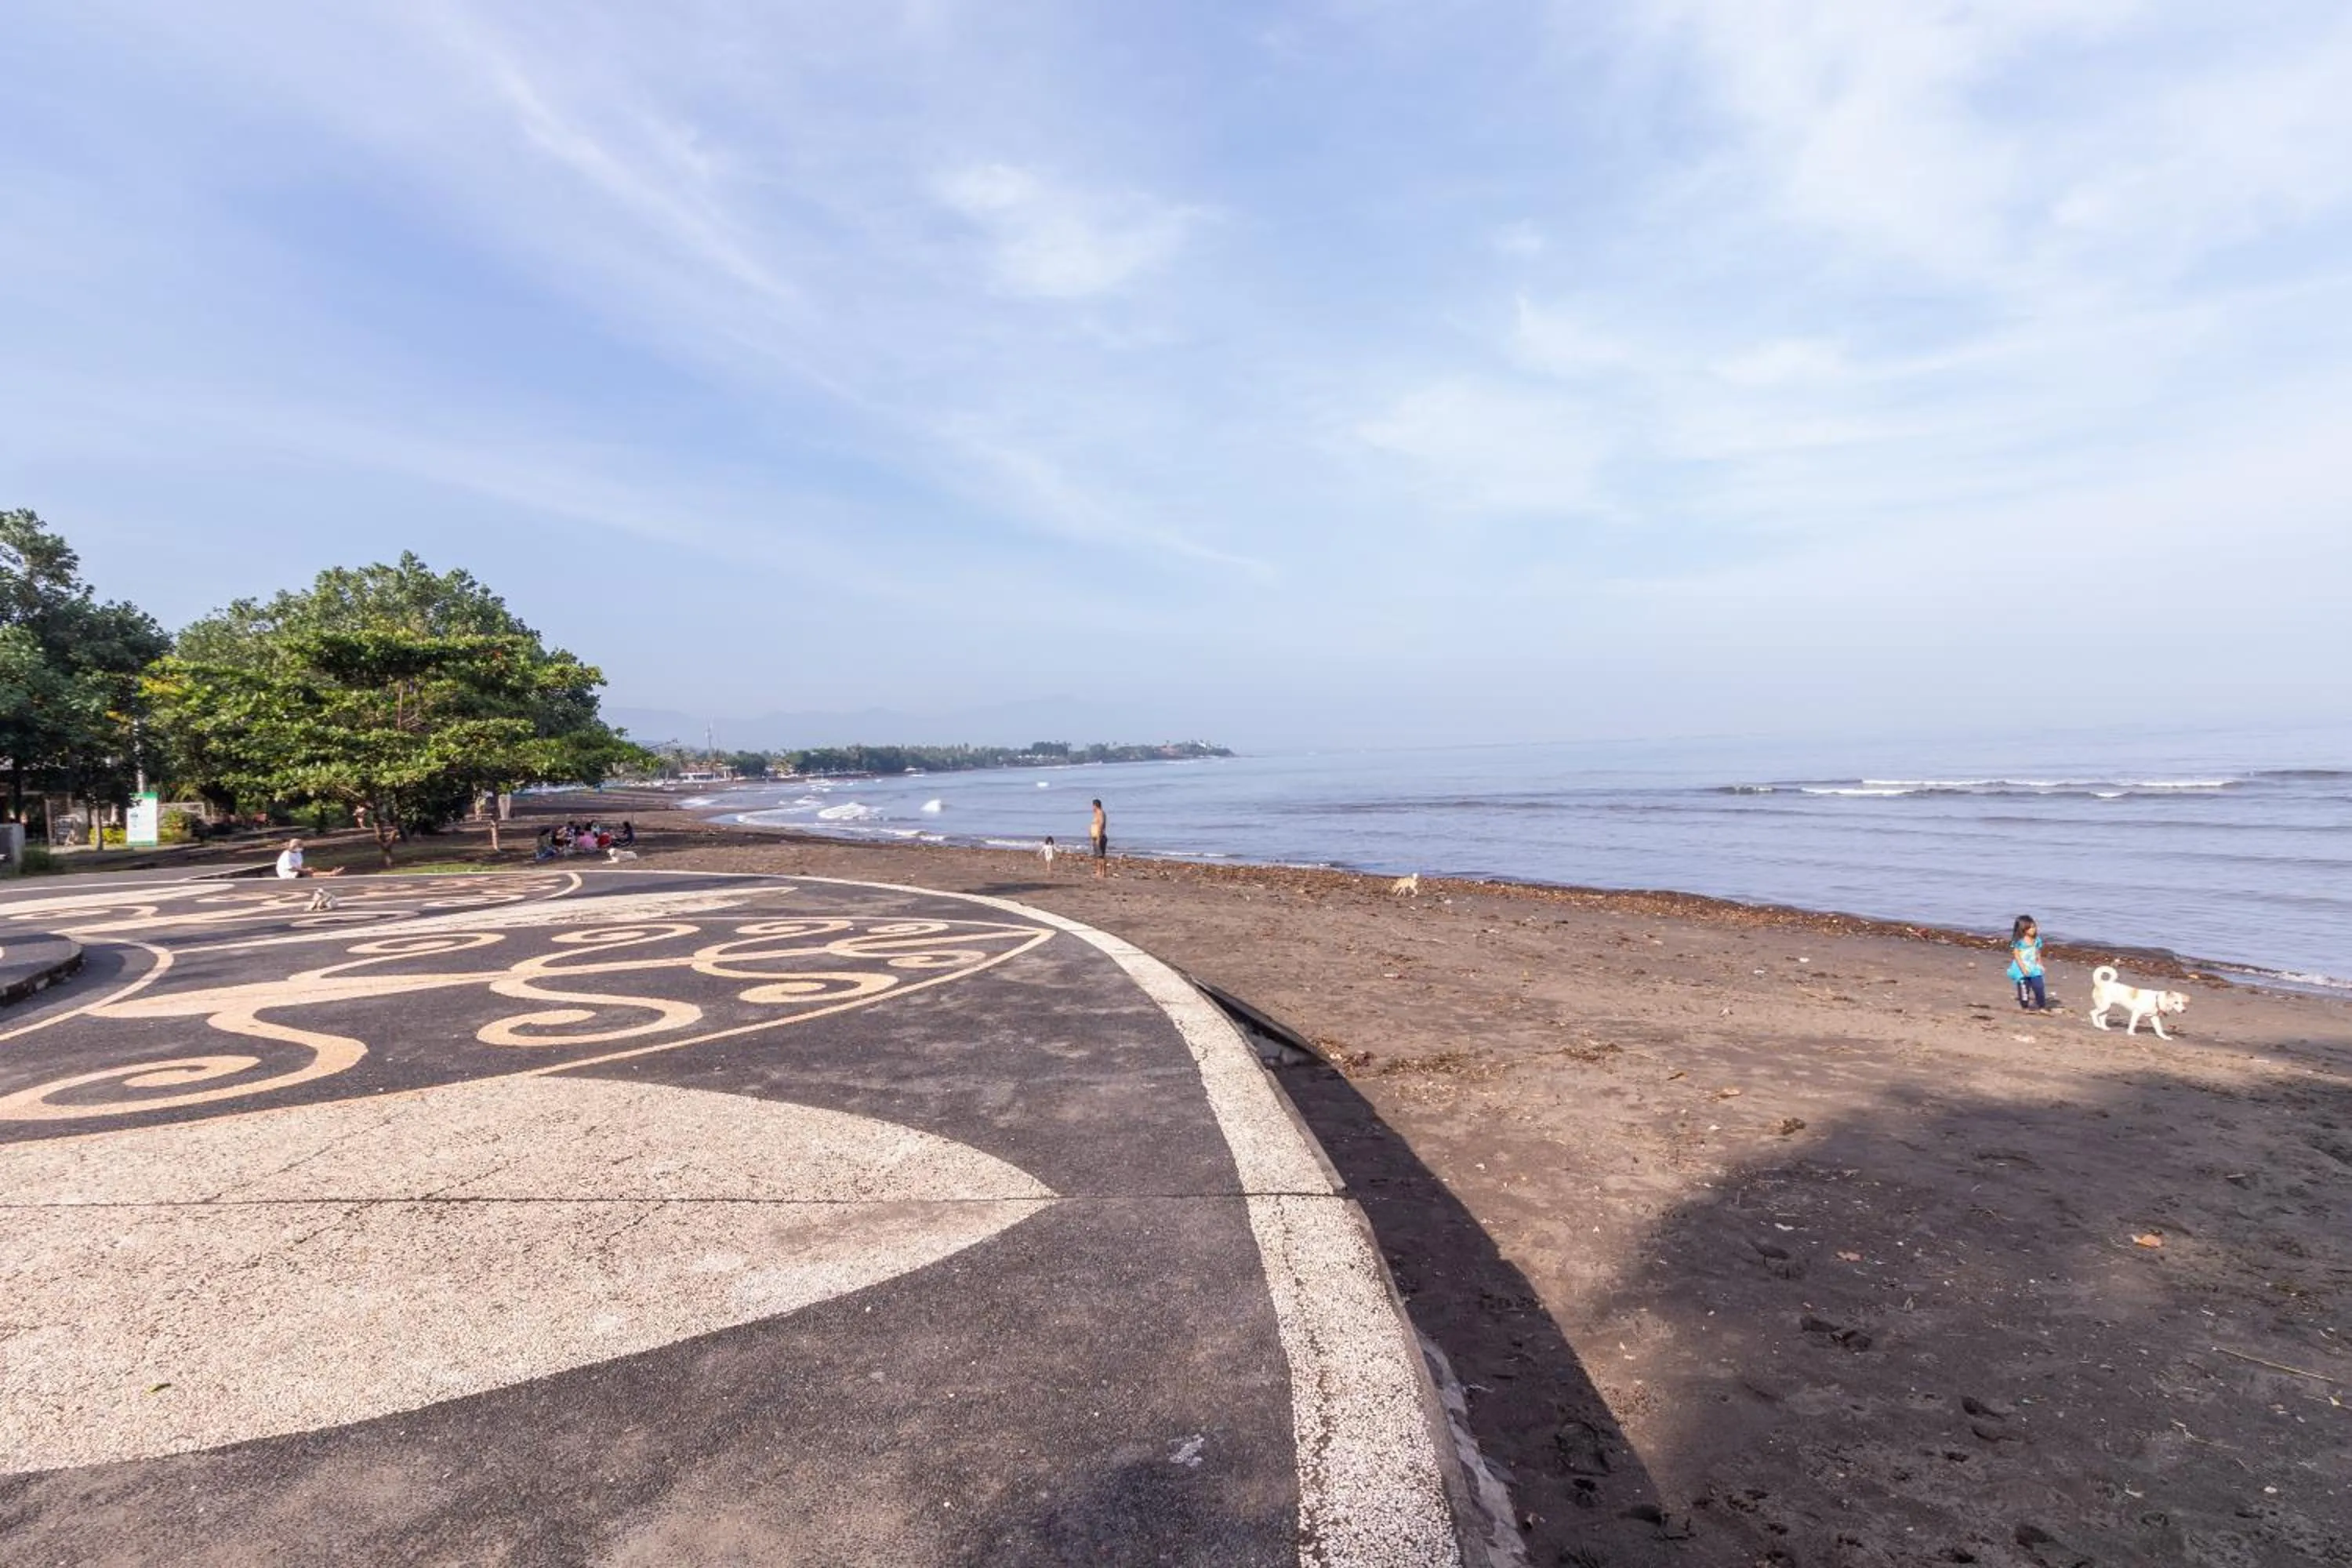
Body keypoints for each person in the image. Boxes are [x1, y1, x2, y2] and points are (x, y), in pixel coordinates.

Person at [2007, 914, 2047, 1011]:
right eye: (2030, 928)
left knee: (2039, 987)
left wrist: (2041, 964)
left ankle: (2042, 1006)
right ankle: (2025, 1007)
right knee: (2024, 989)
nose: (2033, 929)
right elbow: (2017, 956)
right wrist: (2023, 969)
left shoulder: (2037, 940)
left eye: (2034, 927)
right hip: (2021, 969)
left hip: (2034, 967)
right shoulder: (2019, 942)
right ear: (2023, 929)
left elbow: (2037, 953)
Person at [274, 837, 344, 880]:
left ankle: (329, 873)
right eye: (300, 846)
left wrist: (306, 869)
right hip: (288, 875)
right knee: (308, 873)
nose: (301, 848)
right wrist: (305, 870)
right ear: (294, 846)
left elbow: (298, 866)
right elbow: (291, 868)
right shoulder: (286, 855)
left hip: (296, 872)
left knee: (312, 870)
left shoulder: (298, 853)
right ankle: (331, 874)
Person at [1089, 799, 1108, 880]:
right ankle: (1098, 871)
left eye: (1093, 806)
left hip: (1100, 837)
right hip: (1095, 836)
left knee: (1101, 856)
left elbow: (1100, 825)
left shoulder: (1100, 813)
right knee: (1098, 856)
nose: (1092, 808)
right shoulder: (1096, 814)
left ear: (1095, 806)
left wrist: (1099, 838)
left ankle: (1103, 872)